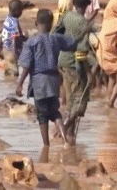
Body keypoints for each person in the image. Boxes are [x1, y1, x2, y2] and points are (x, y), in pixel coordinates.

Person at [16, 9, 77, 147]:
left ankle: (46, 145)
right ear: (51, 25)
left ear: (36, 22)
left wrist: (19, 84)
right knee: (54, 112)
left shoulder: (32, 42)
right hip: (54, 80)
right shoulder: (56, 39)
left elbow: (26, 66)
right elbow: (72, 44)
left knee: (42, 114)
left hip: (40, 82)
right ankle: (65, 141)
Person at [53, 0, 94, 145]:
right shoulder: (83, 23)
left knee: (70, 100)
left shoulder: (66, 16)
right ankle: (63, 130)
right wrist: (90, 73)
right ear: (89, 4)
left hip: (61, 61)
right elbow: (81, 52)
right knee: (80, 102)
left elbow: (55, 32)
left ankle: (69, 139)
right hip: (74, 65)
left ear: (74, 3)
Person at [0, 0, 27, 77]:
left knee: (8, 70)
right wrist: (15, 52)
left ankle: (7, 84)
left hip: (5, 49)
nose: (21, 13)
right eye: (21, 10)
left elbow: (3, 35)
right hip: (12, 51)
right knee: (14, 73)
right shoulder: (14, 22)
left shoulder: (7, 19)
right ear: (17, 10)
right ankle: (12, 85)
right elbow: (14, 38)